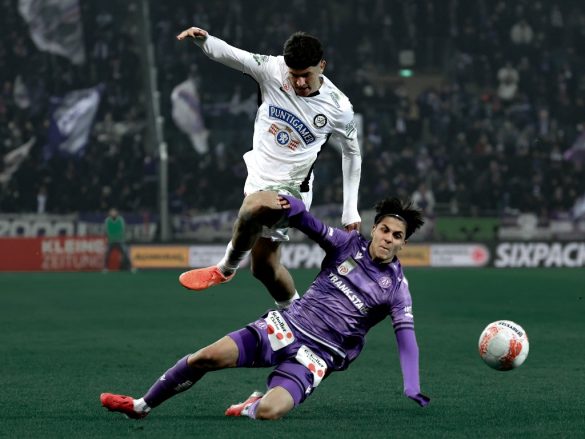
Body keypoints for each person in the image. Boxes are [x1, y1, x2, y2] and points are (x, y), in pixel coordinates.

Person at [100, 193, 429, 420]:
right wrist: (296, 210)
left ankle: (250, 406)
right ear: (375, 228)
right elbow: (313, 227)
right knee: (205, 357)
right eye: (384, 230)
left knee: (270, 413)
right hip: (287, 326)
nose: (388, 238)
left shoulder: (397, 289)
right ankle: (141, 405)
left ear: (403, 243)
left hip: (318, 355)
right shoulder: (347, 245)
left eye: (396, 235)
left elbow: (407, 341)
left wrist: (411, 383)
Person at [175, 27, 362, 309]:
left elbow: (352, 153)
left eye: (306, 75)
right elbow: (233, 55)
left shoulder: (339, 106)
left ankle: (225, 268)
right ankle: (298, 317)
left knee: (251, 208)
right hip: (259, 178)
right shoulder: (272, 69)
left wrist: (350, 210)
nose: (299, 82)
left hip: (293, 189)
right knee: (264, 267)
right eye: (294, 75)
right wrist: (205, 41)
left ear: (322, 66)